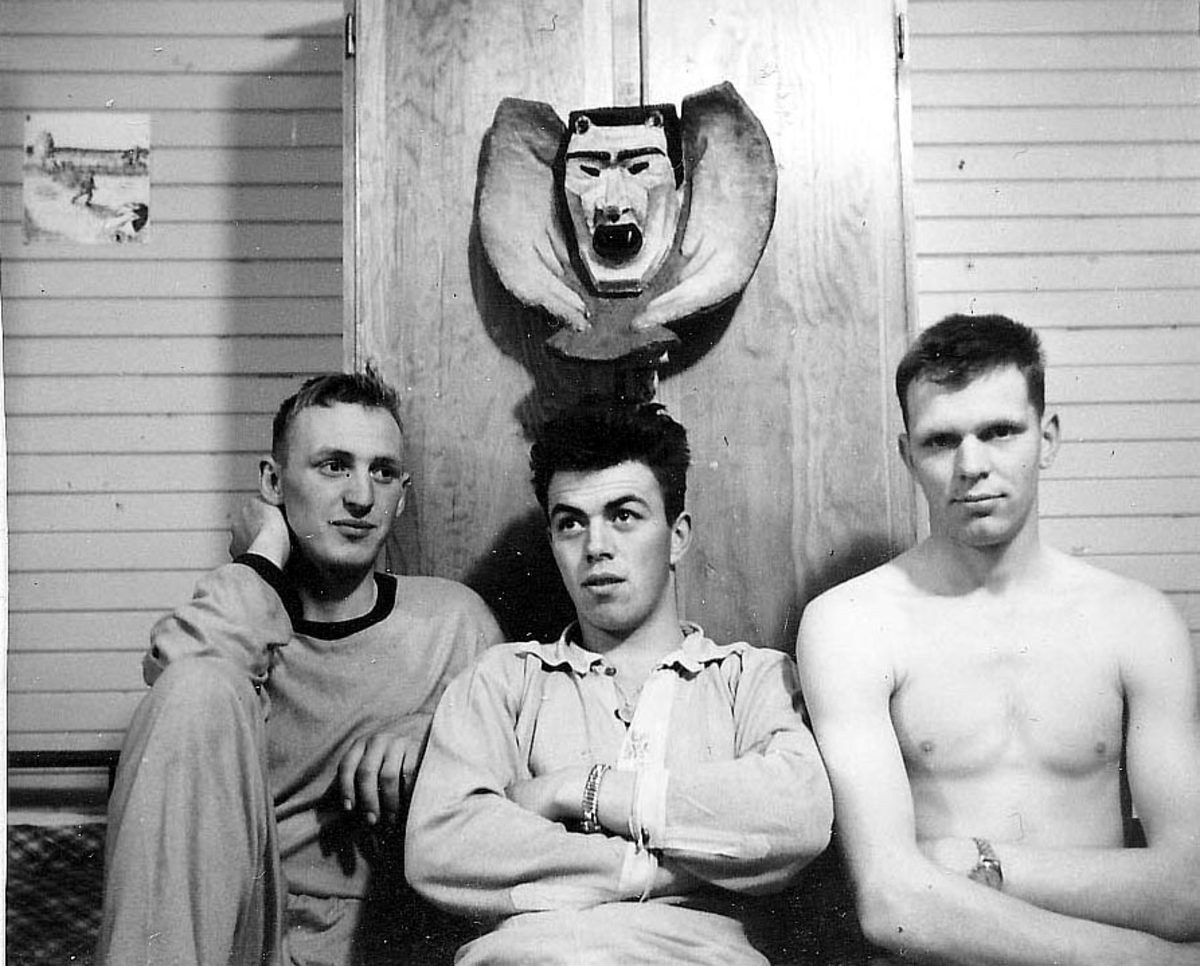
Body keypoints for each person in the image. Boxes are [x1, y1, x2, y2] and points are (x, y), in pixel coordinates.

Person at [796, 314, 1200, 965]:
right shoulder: (850, 623)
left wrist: (978, 863)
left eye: (1000, 432)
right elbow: (893, 903)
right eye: (940, 441)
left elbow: (1191, 886)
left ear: (1048, 438)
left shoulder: (1138, 622)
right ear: (907, 456)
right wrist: (1149, 961)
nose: (972, 466)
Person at [404, 403, 834, 965]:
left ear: (677, 536)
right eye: (570, 523)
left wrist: (576, 790)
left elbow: (797, 817)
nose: (595, 546)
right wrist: (660, 864)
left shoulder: (750, 678)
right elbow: (442, 847)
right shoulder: (502, 679)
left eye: (624, 515)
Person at [97, 370, 503, 965]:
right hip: (244, 936)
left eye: (382, 472)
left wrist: (439, 736)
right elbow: (177, 683)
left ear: (402, 495)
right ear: (273, 482)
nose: (361, 497)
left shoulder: (453, 622)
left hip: (376, 943)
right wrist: (264, 555)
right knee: (201, 684)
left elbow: (514, 781)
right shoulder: (243, 618)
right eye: (334, 466)